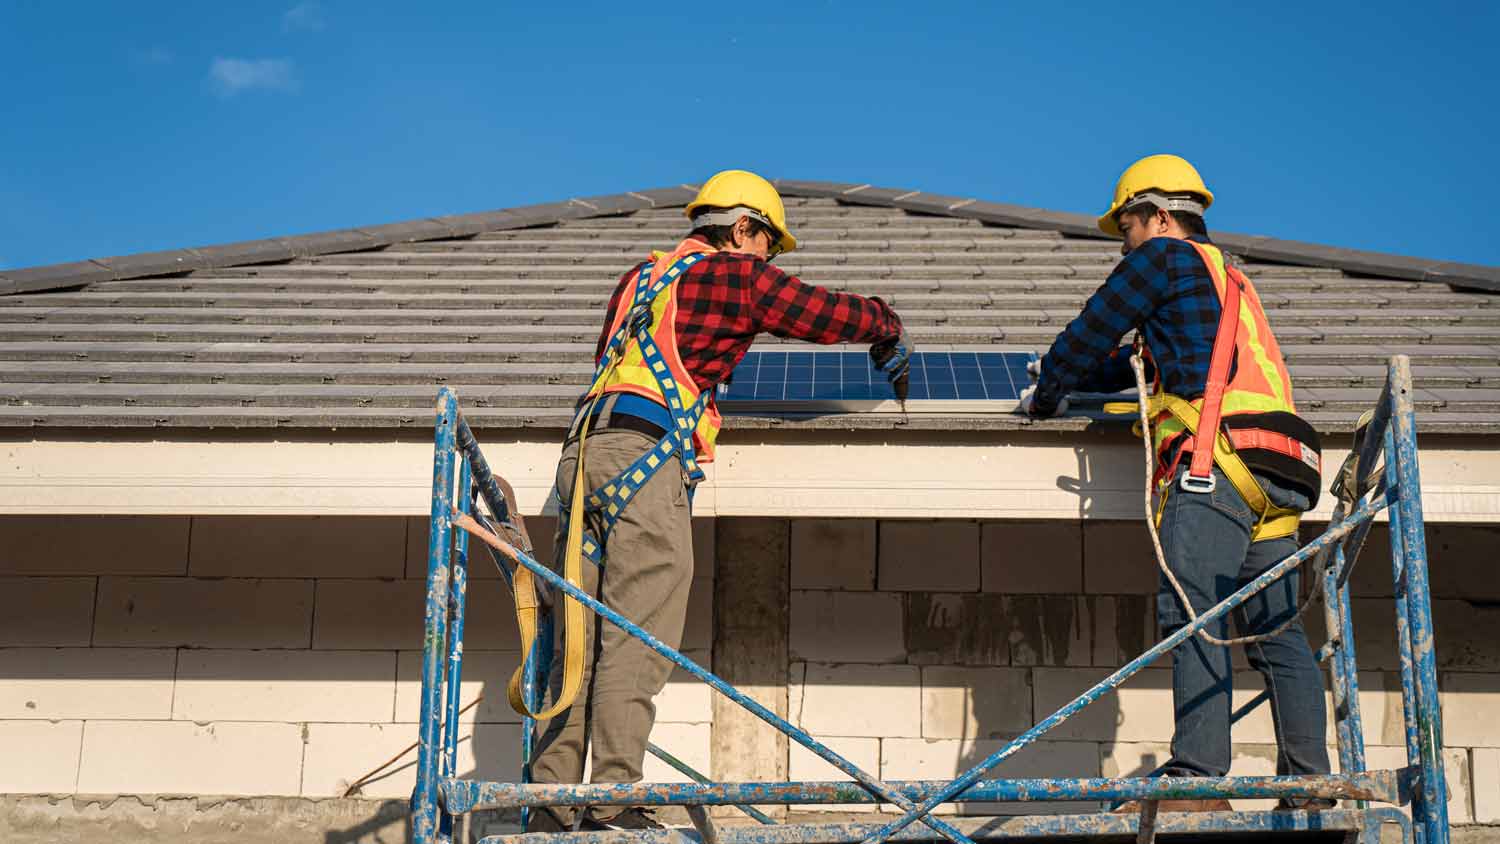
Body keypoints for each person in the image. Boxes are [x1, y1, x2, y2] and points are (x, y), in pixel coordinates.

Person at [526, 169, 913, 831]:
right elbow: (819, 313)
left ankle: (546, 806)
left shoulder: (640, 279)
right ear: (741, 230)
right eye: (766, 244)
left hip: (583, 455)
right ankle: (612, 801)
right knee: (636, 634)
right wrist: (887, 322)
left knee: (575, 639)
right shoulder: (736, 275)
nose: (768, 258)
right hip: (644, 462)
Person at [1022, 154, 1331, 812]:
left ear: (1159, 217)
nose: (1125, 244)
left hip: (1218, 465)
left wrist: (1045, 394)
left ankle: (1197, 780)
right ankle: (1311, 788)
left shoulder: (1160, 259)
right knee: (1278, 635)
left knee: (1193, 616)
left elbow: (1089, 334)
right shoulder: (1230, 282)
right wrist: (1089, 376)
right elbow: (1135, 360)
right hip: (1284, 470)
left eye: (1127, 228)